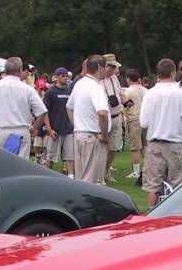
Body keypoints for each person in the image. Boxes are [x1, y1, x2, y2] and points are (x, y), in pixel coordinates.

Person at [139, 57, 182, 209]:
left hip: (155, 144)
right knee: (176, 184)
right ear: (173, 73)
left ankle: (151, 215)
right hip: (175, 145)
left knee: (153, 186)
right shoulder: (180, 94)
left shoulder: (150, 94)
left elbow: (143, 122)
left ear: (158, 74)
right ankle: (173, 215)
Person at [0, 56, 49, 159]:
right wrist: (36, 128)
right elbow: (42, 111)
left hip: (1, 131)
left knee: (0, 166)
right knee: (21, 168)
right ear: (20, 70)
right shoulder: (27, 89)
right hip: (21, 131)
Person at [67, 54, 110, 185]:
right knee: (92, 182)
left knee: (81, 180)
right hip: (92, 137)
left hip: (79, 135)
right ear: (100, 68)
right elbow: (102, 113)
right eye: (106, 66)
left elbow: (69, 107)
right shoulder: (96, 87)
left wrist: (77, 125)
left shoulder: (80, 84)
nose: (108, 69)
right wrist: (104, 135)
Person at [43, 67, 75, 177]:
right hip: (55, 129)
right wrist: (49, 129)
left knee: (70, 155)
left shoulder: (71, 92)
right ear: (56, 77)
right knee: (51, 156)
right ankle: (47, 176)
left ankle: (71, 177)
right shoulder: (50, 93)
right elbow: (45, 112)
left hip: (69, 129)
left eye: (67, 76)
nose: (65, 78)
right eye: (63, 76)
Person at [101, 54, 126, 181]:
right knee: (102, 147)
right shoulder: (98, 80)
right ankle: (100, 174)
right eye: (113, 67)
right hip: (105, 117)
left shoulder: (114, 79)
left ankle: (106, 171)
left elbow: (120, 94)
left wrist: (127, 102)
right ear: (106, 67)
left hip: (116, 116)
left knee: (114, 147)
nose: (115, 70)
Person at [122, 68, 146, 179]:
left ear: (128, 78)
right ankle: (148, 168)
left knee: (135, 147)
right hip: (145, 120)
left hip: (134, 119)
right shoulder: (146, 90)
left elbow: (123, 107)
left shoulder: (128, 91)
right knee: (144, 146)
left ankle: (136, 171)